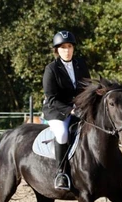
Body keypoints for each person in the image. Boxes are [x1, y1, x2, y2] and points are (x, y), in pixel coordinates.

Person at [42, 30, 91, 190]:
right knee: (63, 133)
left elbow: (87, 87)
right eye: (63, 47)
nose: (67, 50)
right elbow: (52, 98)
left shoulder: (80, 64)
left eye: (69, 46)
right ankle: (61, 173)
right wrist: (70, 110)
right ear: (57, 50)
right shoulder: (51, 69)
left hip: (79, 108)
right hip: (57, 110)